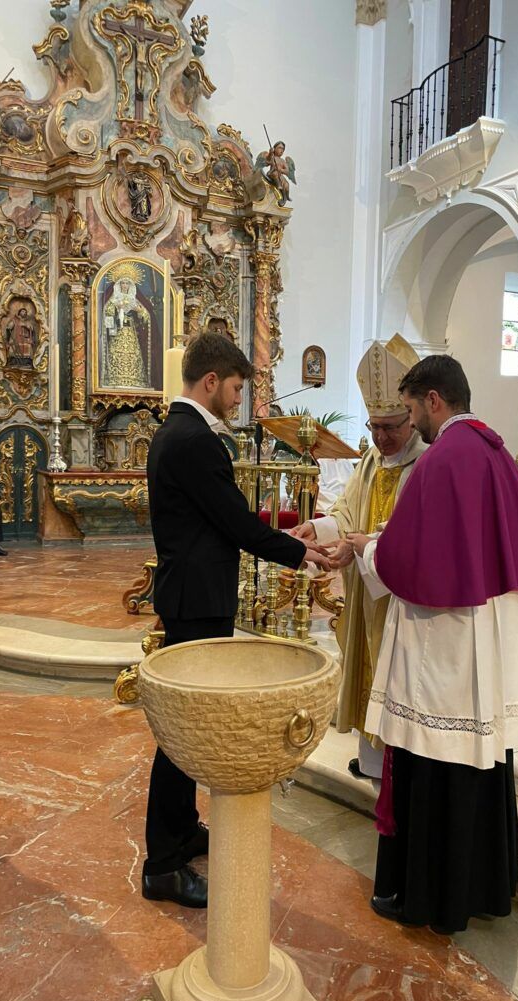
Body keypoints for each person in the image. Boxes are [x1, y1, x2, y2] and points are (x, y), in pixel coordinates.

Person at [345, 355, 518, 933]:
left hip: (443, 648)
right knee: (481, 761)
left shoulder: (442, 459)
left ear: (434, 400)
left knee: (436, 757)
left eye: (411, 409)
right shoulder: (493, 451)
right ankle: (481, 888)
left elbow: (406, 561)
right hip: (487, 638)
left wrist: (367, 548)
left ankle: (427, 899)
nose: (412, 422)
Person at [142, 331, 331, 909]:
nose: (237, 398)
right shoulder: (195, 440)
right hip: (198, 598)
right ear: (211, 381)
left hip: (192, 593)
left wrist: (290, 542)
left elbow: (224, 521)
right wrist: (300, 553)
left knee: (188, 722)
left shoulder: (176, 432)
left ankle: (181, 828)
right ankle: (163, 864)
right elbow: (236, 523)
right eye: (235, 387)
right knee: (183, 729)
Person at [292, 336, 427, 780]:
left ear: (412, 418)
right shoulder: (371, 460)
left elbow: (418, 533)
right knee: (367, 664)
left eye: (391, 428)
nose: (381, 438)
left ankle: (399, 766)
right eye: (375, 427)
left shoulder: (428, 463)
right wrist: (320, 528)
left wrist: (364, 544)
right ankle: (372, 761)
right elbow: (348, 510)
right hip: (368, 592)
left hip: (403, 598)